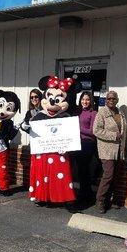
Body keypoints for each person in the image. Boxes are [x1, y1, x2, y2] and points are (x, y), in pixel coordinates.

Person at [29, 76, 81, 209]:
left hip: (60, 153)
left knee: (60, 176)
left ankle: (63, 197)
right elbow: (33, 131)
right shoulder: (39, 115)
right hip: (43, 152)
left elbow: (71, 135)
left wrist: (67, 145)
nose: (53, 103)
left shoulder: (66, 117)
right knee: (43, 175)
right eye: (50, 99)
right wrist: (26, 127)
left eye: (58, 100)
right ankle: (43, 197)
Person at [92, 90, 127, 213]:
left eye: (114, 99)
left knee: (115, 176)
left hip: (118, 150)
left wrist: (125, 148)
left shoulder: (121, 113)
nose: (111, 101)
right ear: (106, 100)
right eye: (109, 99)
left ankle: (108, 200)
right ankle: (99, 201)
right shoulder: (101, 113)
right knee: (108, 174)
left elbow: (124, 132)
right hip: (106, 150)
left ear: (117, 100)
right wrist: (113, 135)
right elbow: (96, 130)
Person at [75, 91, 98, 204]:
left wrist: (77, 128)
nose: (85, 102)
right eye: (83, 99)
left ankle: (87, 195)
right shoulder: (77, 111)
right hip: (77, 143)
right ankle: (83, 192)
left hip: (88, 143)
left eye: (87, 99)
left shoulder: (93, 113)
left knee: (85, 169)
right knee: (80, 170)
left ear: (91, 101)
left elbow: (93, 131)